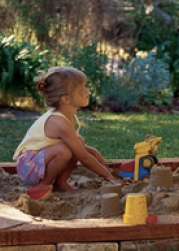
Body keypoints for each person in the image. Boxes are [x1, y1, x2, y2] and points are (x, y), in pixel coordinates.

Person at [13, 66, 120, 199]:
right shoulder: (59, 122)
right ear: (66, 99)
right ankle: (43, 185)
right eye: (81, 90)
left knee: (78, 141)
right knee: (64, 151)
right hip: (28, 166)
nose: (87, 91)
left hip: (41, 160)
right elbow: (84, 157)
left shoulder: (68, 115)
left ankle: (60, 183)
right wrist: (108, 176)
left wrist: (97, 156)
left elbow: (83, 150)